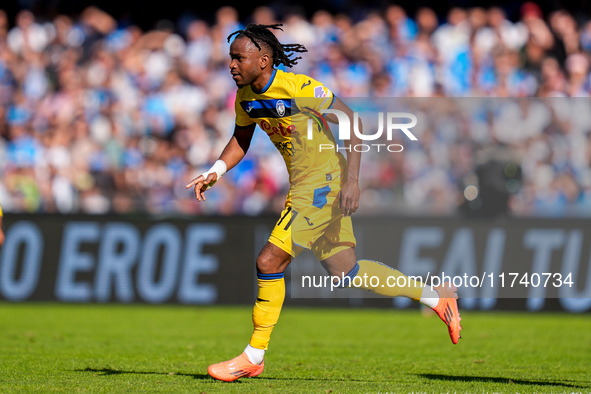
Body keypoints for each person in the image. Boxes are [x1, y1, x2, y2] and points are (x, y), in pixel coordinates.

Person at [186, 24, 462, 382]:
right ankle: (436, 298)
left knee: (269, 260)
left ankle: (253, 356)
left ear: (264, 60)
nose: (232, 65)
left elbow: (352, 120)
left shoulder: (299, 88)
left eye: (239, 58)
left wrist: (352, 181)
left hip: (324, 185)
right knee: (346, 270)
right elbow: (241, 138)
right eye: (231, 58)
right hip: (304, 185)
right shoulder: (245, 98)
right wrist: (215, 171)